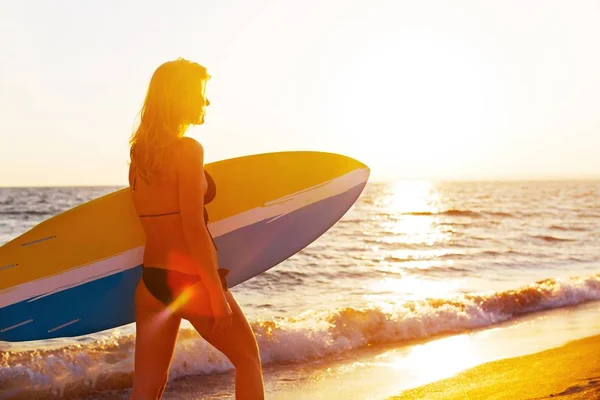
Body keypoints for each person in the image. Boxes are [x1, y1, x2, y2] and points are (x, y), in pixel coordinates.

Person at [128, 58, 265, 400]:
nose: (206, 102)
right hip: (189, 282)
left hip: (152, 283)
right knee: (248, 360)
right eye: (201, 94)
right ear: (180, 97)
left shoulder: (140, 153)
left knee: (146, 389)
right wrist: (215, 295)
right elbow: (191, 227)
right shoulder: (188, 150)